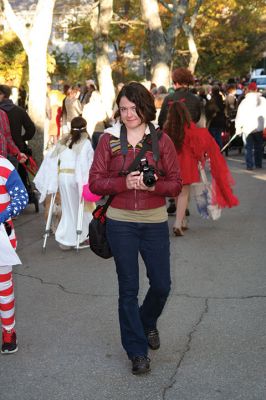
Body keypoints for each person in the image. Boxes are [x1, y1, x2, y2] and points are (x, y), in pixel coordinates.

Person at [89, 82, 182, 375]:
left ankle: (146, 322)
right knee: (128, 288)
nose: (128, 114)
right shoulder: (109, 141)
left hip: (154, 222)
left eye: (134, 108)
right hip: (120, 222)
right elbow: (94, 182)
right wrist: (122, 182)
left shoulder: (162, 141)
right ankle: (137, 351)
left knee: (162, 285)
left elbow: (176, 185)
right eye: (123, 108)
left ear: (145, 107)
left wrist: (153, 185)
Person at [163, 101, 239, 236]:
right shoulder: (190, 128)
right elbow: (198, 148)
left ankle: (183, 221)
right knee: (183, 194)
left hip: (172, 165)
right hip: (187, 166)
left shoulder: (166, 130)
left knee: (176, 193)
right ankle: (178, 224)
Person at [34, 117, 94, 250]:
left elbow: (51, 159)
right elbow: (86, 164)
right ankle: (82, 236)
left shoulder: (63, 141)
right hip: (76, 178)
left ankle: (66, 239)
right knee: (80, 208)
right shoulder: (85, 142)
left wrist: (51, 181)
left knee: (68, 209)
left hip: (62, 178)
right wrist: (87, 181)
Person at [0, 155, 29, 353]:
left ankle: (8, 331)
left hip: (1, 237)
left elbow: (21, 197)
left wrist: (2, 215)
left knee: (3, 287)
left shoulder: (3, 165)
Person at [0, 84, 35, 186]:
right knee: (14, 183)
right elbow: (31, 129)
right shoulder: (19, 110)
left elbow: (7, 136)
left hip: (12, 151)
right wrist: (21, 139)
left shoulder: (3, 113)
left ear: (3, 95)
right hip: (16, 148)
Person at [235, 82, 266, 170]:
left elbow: (239, 116)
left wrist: (238, 128)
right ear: (256, 89)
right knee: (258, 146)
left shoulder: (244, 102)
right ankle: (258, 163)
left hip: (247, 127)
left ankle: (249, 165)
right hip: (258, 127)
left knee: (248, 147)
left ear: (248, 89)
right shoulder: (263, 100)